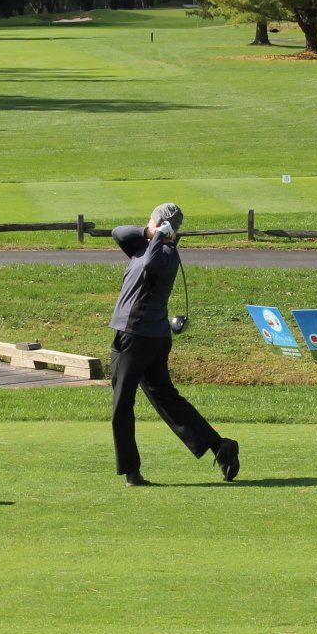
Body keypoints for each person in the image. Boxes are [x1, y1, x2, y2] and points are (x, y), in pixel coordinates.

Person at [107, 202, 240, 485]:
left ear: (162, 225)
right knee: (167, 400)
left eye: (150, 220)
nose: (147, 224)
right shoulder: (142, 245)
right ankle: (220, 446)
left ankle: (131, 472)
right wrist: (149, 232)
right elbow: (117, 232)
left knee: (122, 404)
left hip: (137, 337)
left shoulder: (167, 255)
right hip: (146, 337)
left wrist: (158, 235)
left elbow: (151, 264)